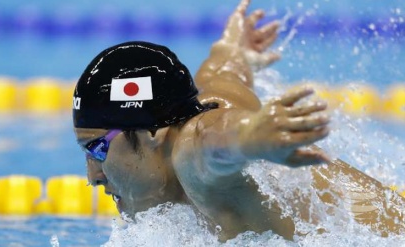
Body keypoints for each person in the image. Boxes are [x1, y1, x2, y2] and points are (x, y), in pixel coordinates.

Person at [72, 0, 405, 241]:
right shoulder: (205, 103)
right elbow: (222, 73)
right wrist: (233, 50)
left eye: (97, 148)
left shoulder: (191, 156)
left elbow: (215, 141)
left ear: (153, 132)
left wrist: (251, 136)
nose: (92, 175)